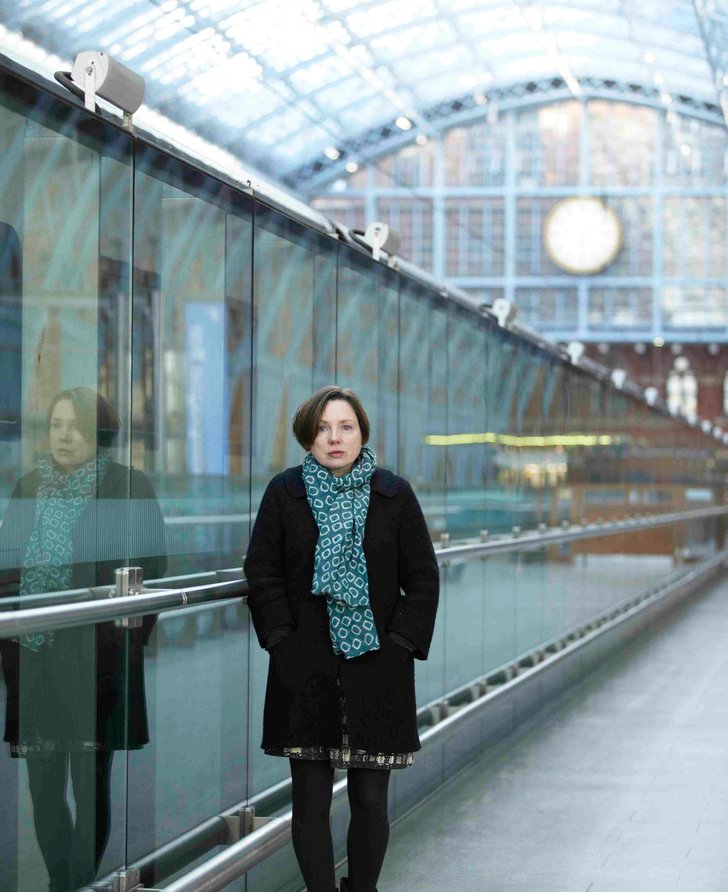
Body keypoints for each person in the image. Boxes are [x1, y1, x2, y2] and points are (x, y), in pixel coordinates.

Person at [244, 385, 439, 892]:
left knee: (370, 800)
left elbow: (423, 578)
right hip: (305, 669)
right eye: (323, 428)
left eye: (345, 427)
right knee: (309, 801)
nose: (335, 438)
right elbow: (262, 572)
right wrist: (281, 641)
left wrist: (400, 644)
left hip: (378, 668)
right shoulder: (284, 493)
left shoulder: (394, 495)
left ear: (361, 434)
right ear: (307, 437)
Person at [0, 386, 167, 892]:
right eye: (57, 425)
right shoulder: (30, 486)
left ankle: (72, 885)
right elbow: (6, 568)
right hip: (35, 657)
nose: (65, 436)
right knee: (43, 787)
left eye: (76, 426)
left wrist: (125, 643)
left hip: (96, 660)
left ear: (100, 433)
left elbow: (152, 566)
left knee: (90, 784)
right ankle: (64, 883)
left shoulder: (127, 486)